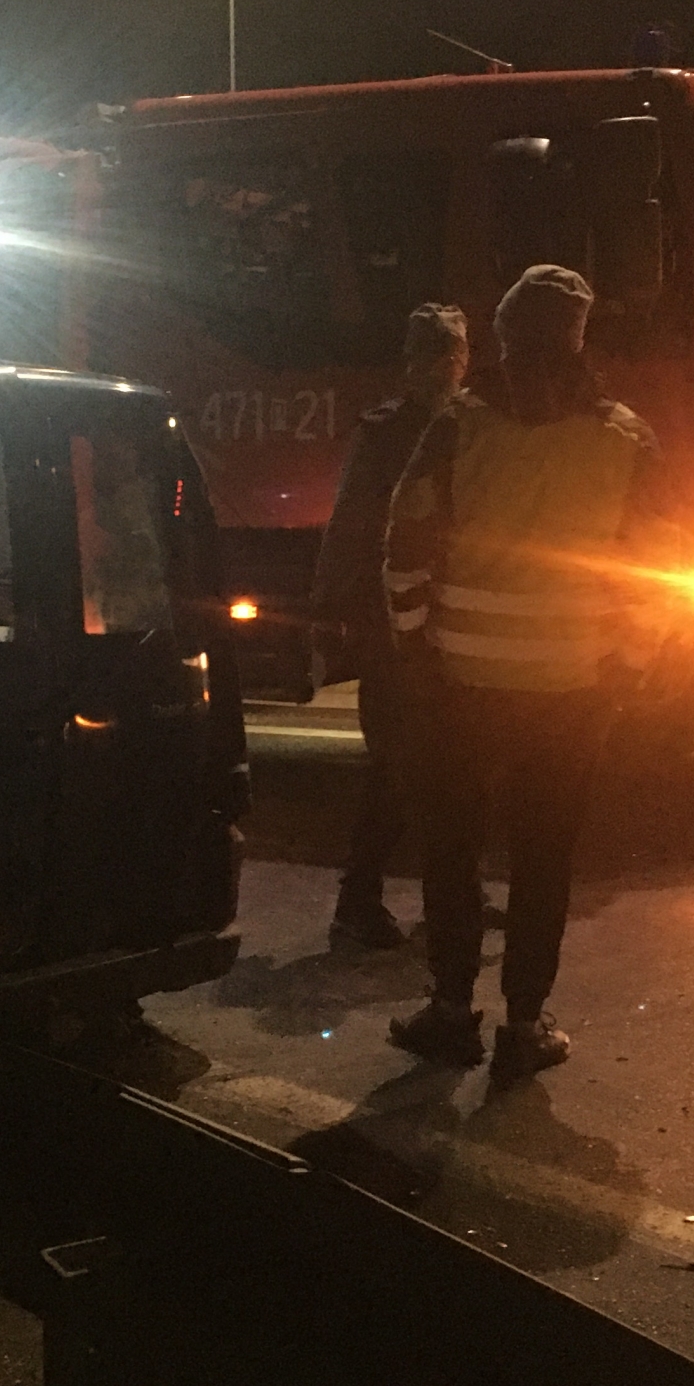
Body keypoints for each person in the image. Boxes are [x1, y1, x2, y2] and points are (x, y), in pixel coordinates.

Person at [380, 265, 658, 1080]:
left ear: (502, 337)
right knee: (544, 859)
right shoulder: (625, 437)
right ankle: (525, 1024)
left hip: (462, 685)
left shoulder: (457, 426)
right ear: (578, 340)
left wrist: (413, 643)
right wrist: (629, 661)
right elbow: (659, 564)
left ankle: (449, 1011)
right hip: (573, 689)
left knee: (453, 851)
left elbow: (406, 541)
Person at [309, 303, 473, 949]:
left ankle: (437, 894)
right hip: (401, 627)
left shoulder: (419, 428)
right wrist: (332, 610)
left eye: (449, 354)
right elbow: (354, 526)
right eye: (441, 355)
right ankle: (360, 900)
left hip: (423, 621)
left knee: (437, 766)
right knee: (401, 768)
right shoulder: (420, 430)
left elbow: (347, 524)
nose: (446, 367)